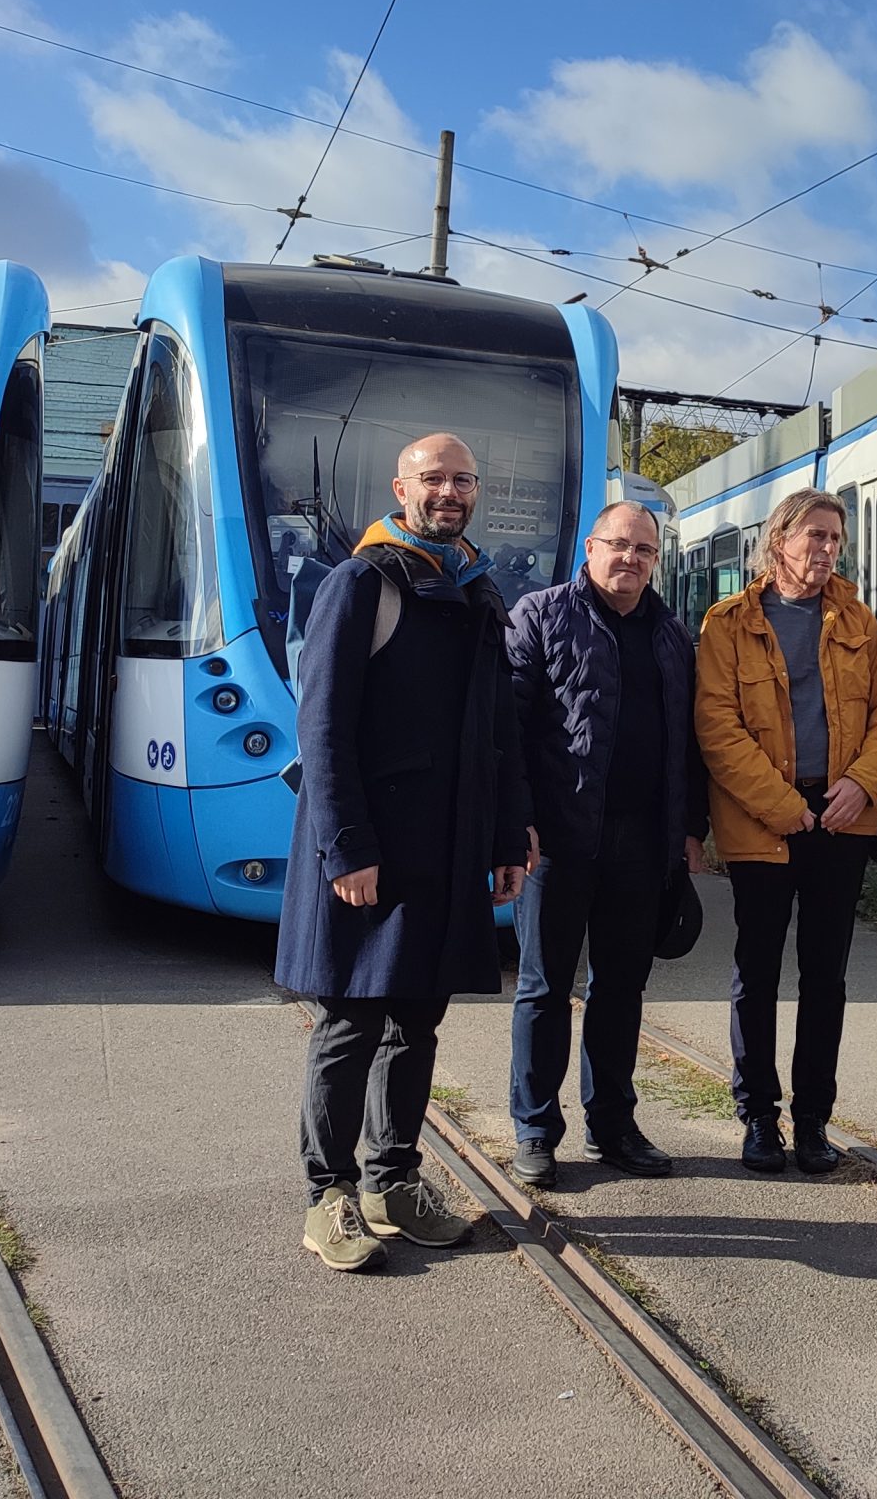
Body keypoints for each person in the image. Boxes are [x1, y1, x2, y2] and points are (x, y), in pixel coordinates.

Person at [276, 432, 534, 1273]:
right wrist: (345, 845)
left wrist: (506, 836)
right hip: (371, 849)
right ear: (402, 488)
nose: (449, 492)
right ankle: (329, 1195)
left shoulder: (477, 586)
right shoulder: (362, 581)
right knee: (349, 1020)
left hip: (451, 844)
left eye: (463, 479)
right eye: (434, 479)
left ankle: (394, 1180)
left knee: (417, 1019)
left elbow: (500, 731)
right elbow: (322, 729)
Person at [695, 488, 877, 1177]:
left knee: (826, 977)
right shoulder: (727, 624)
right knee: (756, 973)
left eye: (834, 539)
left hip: (841, 818)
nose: (823, 549)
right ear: (779, 538)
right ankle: (759, 1115)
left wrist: (861, 785)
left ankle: (813, 1119)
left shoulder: (859, 622)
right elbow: (718, 728)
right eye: (813, 535)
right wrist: (782, 804)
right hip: (765, 822)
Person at [503, 501, 708, 1188]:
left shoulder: (672, 635)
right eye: (617, 545)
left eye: (644, 551)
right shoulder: (541, 615)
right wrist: (517, 819)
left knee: (622, 989)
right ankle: (535, 1130)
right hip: (557, 840)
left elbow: (690, 743)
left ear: (657, 559)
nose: (630, 559)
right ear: (590, 547)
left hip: (643, 844)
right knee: (543, 988)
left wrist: (689, 831)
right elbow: (509, 727)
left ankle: (613, 1126)